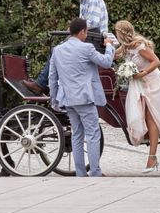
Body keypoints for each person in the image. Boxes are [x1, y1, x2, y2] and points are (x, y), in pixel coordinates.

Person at [23, 0, 113, 95]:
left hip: (95, 38)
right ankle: (46, 83)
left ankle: (43, 84)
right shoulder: (84, 0)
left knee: (57, 51)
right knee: (56, 50)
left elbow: (92, 23)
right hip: (86, 36)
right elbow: (83, 22)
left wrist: (72, 30)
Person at [49, 17, 114, 177]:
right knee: (92, 134)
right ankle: (95, 171)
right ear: (83, 31)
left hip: (68, 99)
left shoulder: (57, 50)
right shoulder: (87, 48)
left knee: (77, 134)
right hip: (85, 98)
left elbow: (52, 76)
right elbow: (106, 63)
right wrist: (109, 47)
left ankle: (80, 172)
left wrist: (54, 99)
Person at [114, 20, 160, 173]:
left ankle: (152, 158)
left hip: (152, 83)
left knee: (150, 117)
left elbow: (156, 61)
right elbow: (113, 56)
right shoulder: (125, 48)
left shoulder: (139, 46)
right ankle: (150, 151)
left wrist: (143, 73)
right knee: (142, 115)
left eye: (116, 33)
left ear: (120, 33)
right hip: (139, 85)